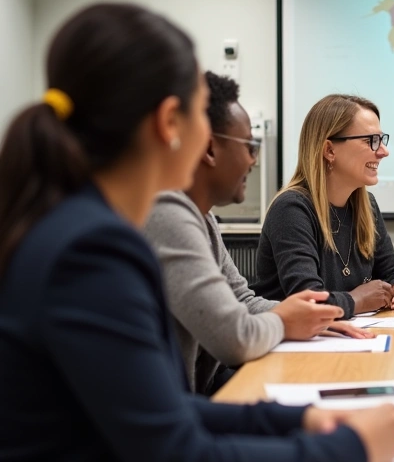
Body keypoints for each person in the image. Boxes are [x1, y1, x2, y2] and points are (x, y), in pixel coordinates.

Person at [0, 3, 394, 462]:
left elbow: (162, 410)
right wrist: (351, 450)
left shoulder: (82, 228)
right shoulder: (92, 252)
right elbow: (178, 460)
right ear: (172, 122)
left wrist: (293, 421)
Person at [142, 72, 373, 395]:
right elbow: (234, 337)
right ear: (210, 148)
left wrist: (314, 319)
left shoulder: (201, 215)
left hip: (199, 395)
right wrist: (287, 320)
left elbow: (243, 300)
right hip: (184, 406)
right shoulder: (166, 212)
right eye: (250, 145)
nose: (254, 160)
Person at [254, 94, 394, 318]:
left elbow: (393, 273)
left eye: (382, 140)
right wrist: (358, 300)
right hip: (291, 347)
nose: (384, 152)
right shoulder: (291, 209)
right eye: (370, 141)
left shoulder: (367, 206)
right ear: (329, 150)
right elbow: (308, 301)